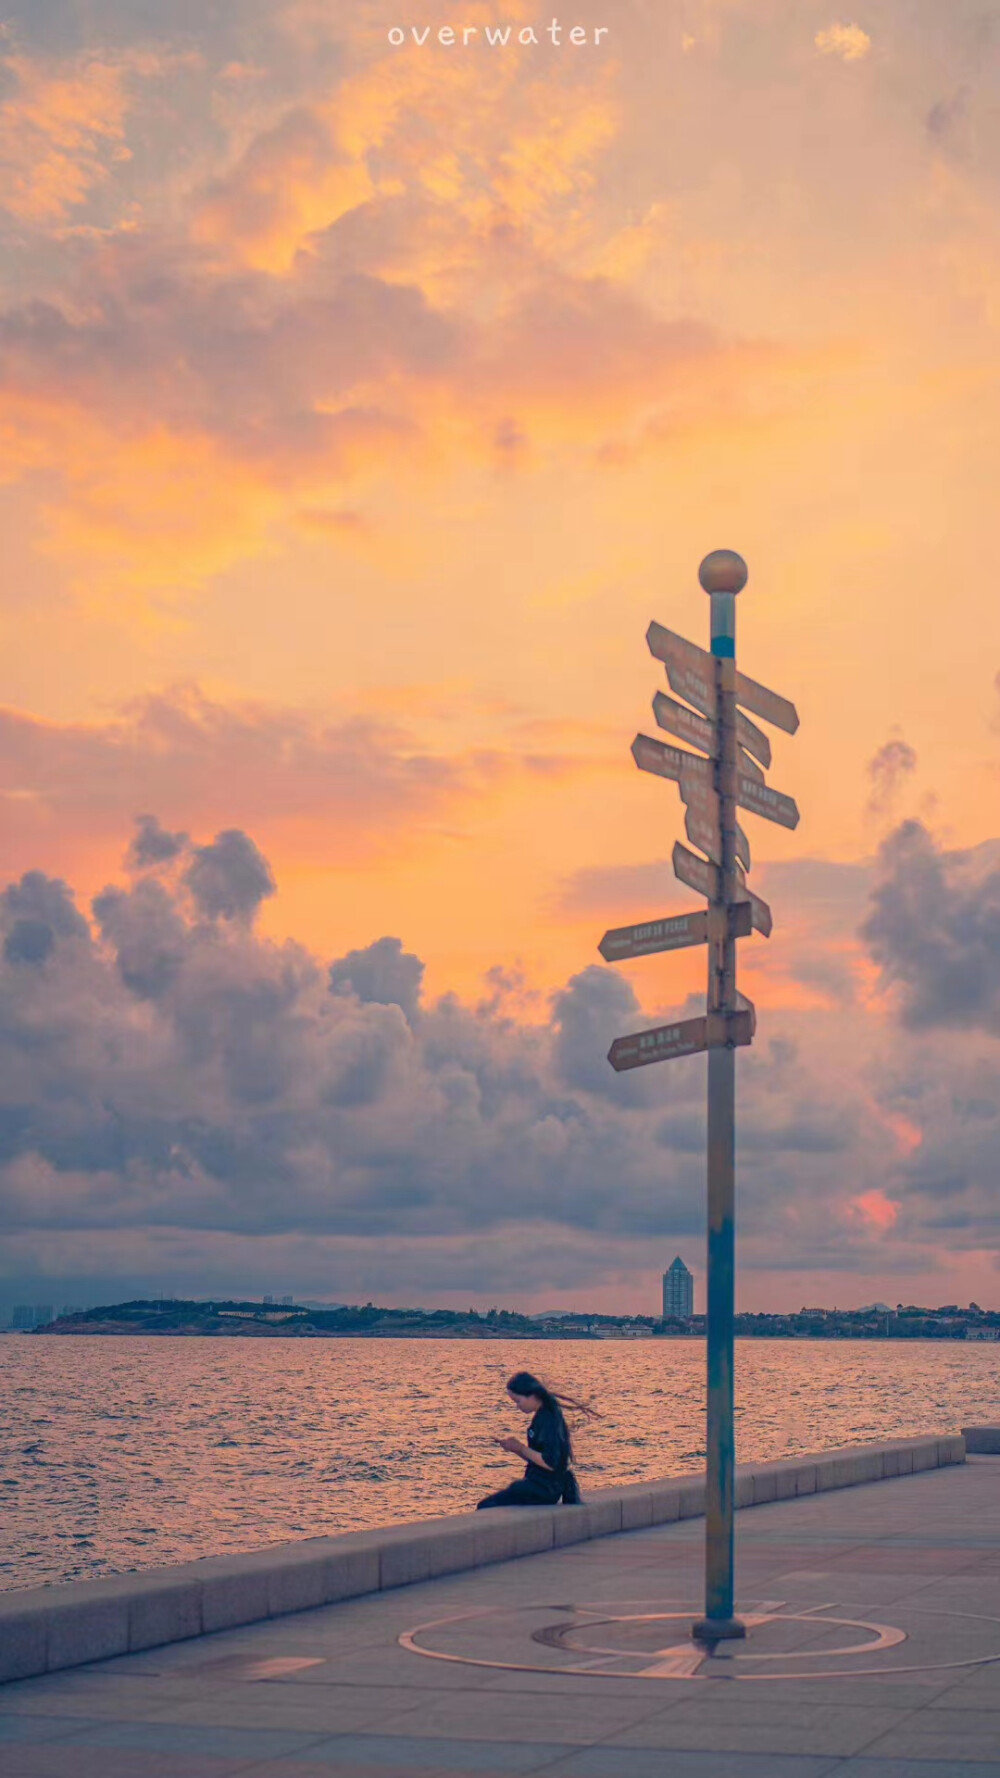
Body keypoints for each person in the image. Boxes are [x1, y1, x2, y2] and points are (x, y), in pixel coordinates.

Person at [477, 1371, 592, 1508]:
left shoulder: (547, 1420)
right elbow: (539, 1460)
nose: (517, 1406)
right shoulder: (545, 1416)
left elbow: (551, 1463)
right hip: (546, 1485)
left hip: (545, 1488)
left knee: (486, 1505)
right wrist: (515, 1449)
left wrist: (521, 1448)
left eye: (518, 1401)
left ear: (532, 1396)